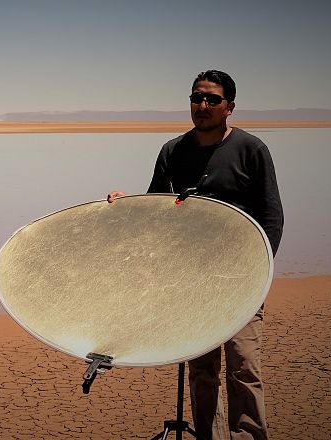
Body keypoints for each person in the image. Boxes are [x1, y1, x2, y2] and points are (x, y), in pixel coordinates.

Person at [108, 70, 283, 440]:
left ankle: (250, 435)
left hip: (241, 279)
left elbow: (271, 217)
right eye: (196, 98)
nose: (202, 105)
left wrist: (258, 272)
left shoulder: (251, 150)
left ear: (230, 107)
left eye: (212, 99)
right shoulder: (173, 150)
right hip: (192, 281)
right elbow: (157, 210)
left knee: (243, 366)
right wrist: (126, 207)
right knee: (202, 372)